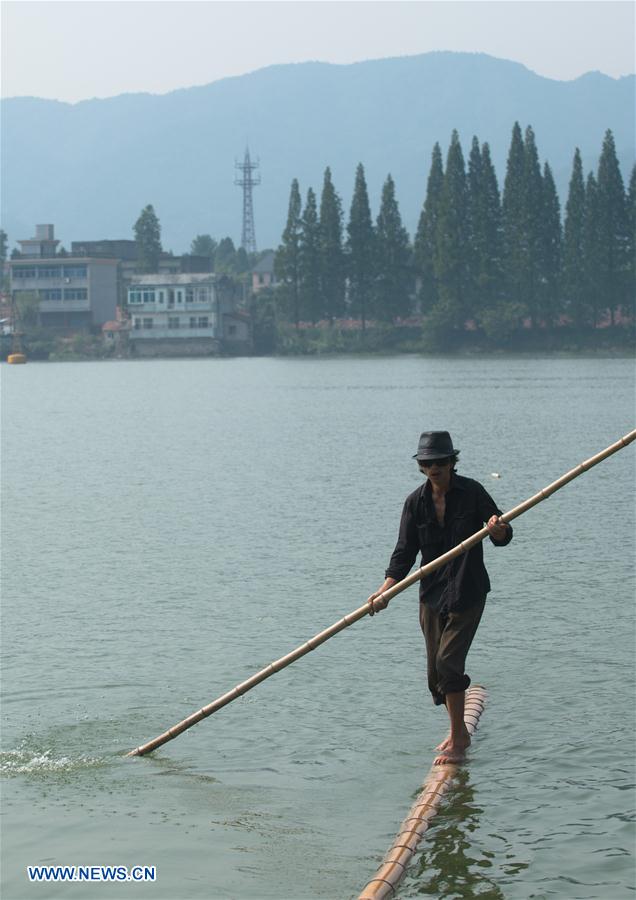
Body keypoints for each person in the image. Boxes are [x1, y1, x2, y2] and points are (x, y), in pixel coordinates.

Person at [367, 431, 512, 765]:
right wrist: (385, 589)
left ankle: (459, 739)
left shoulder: (473, 492)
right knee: (436, 674)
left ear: (451, 463)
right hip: (431, 595)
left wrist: (497, 529)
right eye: (427, 463)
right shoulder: (414, 503)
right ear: (421, 467)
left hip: (468, 590)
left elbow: (503, 534)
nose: (434, 468)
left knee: (449, 662)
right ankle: (455, 730)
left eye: (440, 462)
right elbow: (403, 554)